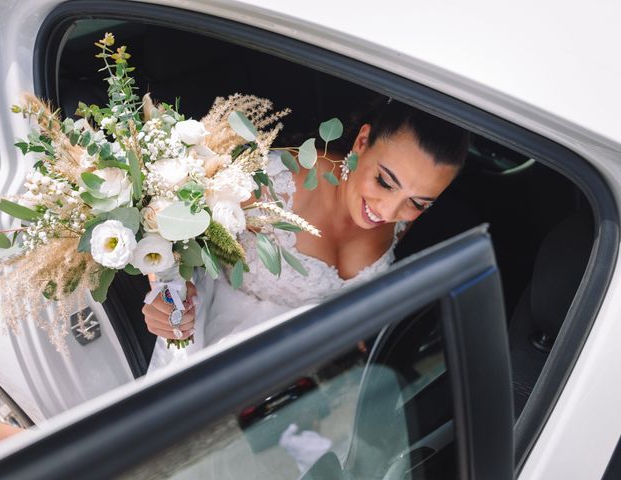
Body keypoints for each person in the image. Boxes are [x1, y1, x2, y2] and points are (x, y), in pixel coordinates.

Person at [143, 98, 469, 369]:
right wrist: (166, 294)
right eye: (384, 182)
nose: (387, 213)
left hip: (313, 379)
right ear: (361, 142)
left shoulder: (402, 219)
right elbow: (168, 224)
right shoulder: (271, 182)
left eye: (418, 203)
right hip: (226, 359)